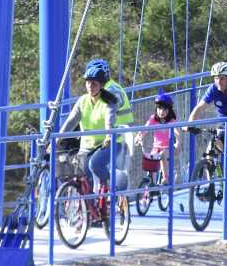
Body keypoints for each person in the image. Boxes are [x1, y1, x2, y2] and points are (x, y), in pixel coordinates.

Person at [59, 59, 130, 202]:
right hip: (87, 146)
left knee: (95, 164)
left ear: (102, 85)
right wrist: (57, 139)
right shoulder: (83, 101)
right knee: (80, 173)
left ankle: (111, 186)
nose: (90, 86)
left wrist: (109, 136)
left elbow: (109, 121)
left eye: (94, 83)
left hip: (110, 143)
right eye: (88, 82)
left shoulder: (109, 100)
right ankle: (91, 211)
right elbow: (71, 121)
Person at [188, 61, 227, 168]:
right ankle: (213, 182)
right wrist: (190, 123)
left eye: (222, 78)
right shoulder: (213, 89)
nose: (218, 81)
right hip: (224, 125)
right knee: (210, 154)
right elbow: (200, 107)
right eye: (216, 78)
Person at [134, 90, 180, 186]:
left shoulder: (171, 121)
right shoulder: (153, 119)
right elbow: (145, 129)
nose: (161, 112)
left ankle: (165, 178)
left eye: (164, 109)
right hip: (156, 147)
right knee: (150, 159)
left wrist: (178, 143)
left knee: (163, 155)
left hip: (169, 148)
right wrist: (139, 136)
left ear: (169, 110)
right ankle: (151, 184)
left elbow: (177, 132)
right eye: (159, 108)